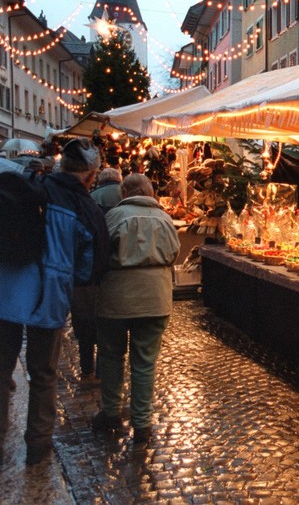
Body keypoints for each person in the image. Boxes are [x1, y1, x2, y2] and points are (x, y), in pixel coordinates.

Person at [0, 137, 109, 466]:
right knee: (44, 374)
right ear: (90, 176)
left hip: (7, 290)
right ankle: (38, 445)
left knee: (1, 369)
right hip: (49, 297)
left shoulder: (31, 186)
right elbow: (91, 265)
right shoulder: (82, 206)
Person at [92, 174, 180, 448]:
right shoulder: (165, 218)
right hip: (154, 298)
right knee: (144, 363)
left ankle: (111, 414)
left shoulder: (114, 217)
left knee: (111, 356)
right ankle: (142, 424)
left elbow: (100, 253)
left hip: (116, 297)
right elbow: (174, 252)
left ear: (124, 192)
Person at [70, 168, 124, 382]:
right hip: (108, 270)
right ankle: (103, 369)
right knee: (105, 325)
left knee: (84, 323)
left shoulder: (90, 200)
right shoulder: (124, 196)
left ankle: (86, 367)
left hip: (85, 274)